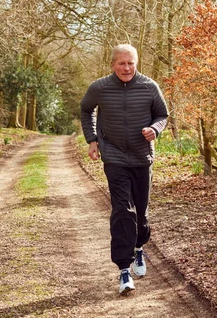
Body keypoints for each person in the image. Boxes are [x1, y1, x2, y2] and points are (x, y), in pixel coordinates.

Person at [80, 44, 168, 295]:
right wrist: (92, 139)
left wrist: (155, 129)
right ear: (112, 64)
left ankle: (139, 248)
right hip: (114, 156)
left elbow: (162, 115)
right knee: (122, 210)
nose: (127, 68)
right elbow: (86, 110)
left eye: (131, 63)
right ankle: (123, 269)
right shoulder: (100, 87)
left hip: (142, 157)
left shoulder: (150, 87)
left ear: (137, 63)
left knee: (141, 212)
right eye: (122, 63)